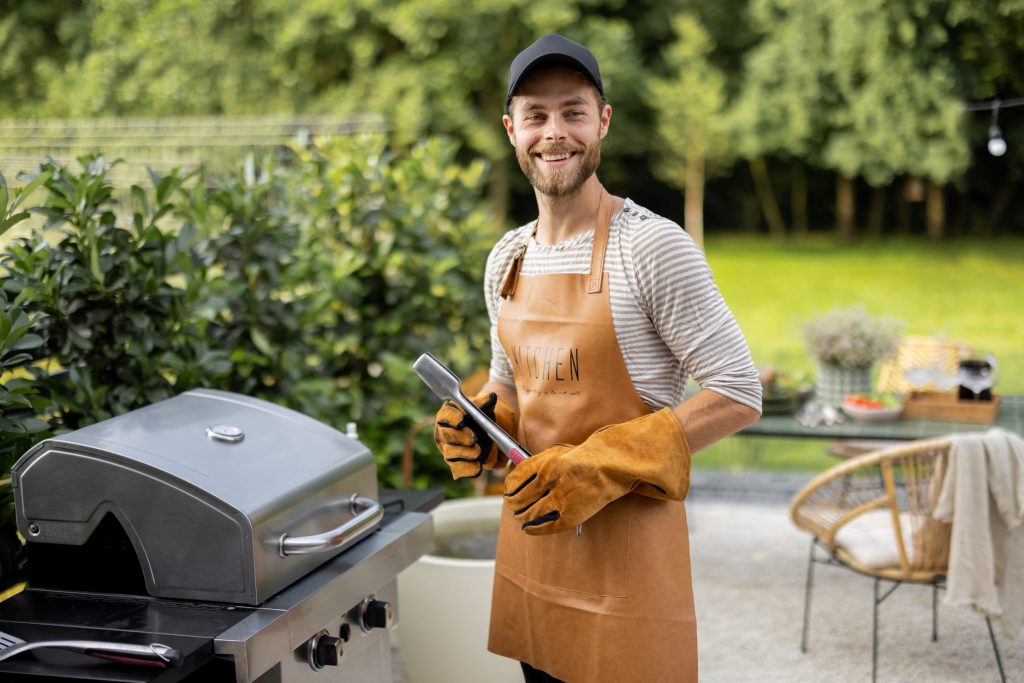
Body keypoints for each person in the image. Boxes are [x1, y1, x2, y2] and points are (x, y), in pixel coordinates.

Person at [433, 33, 762, 683]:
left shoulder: (651, 248)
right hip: (538, 557)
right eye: (536, 115)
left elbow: (739, 389)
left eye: (573, 111)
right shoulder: (507, 258)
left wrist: (604, 461)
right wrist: (483, 422)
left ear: (603, 120)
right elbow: (512, 385)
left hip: (629, 581)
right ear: (511, 129)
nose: (555, 133)